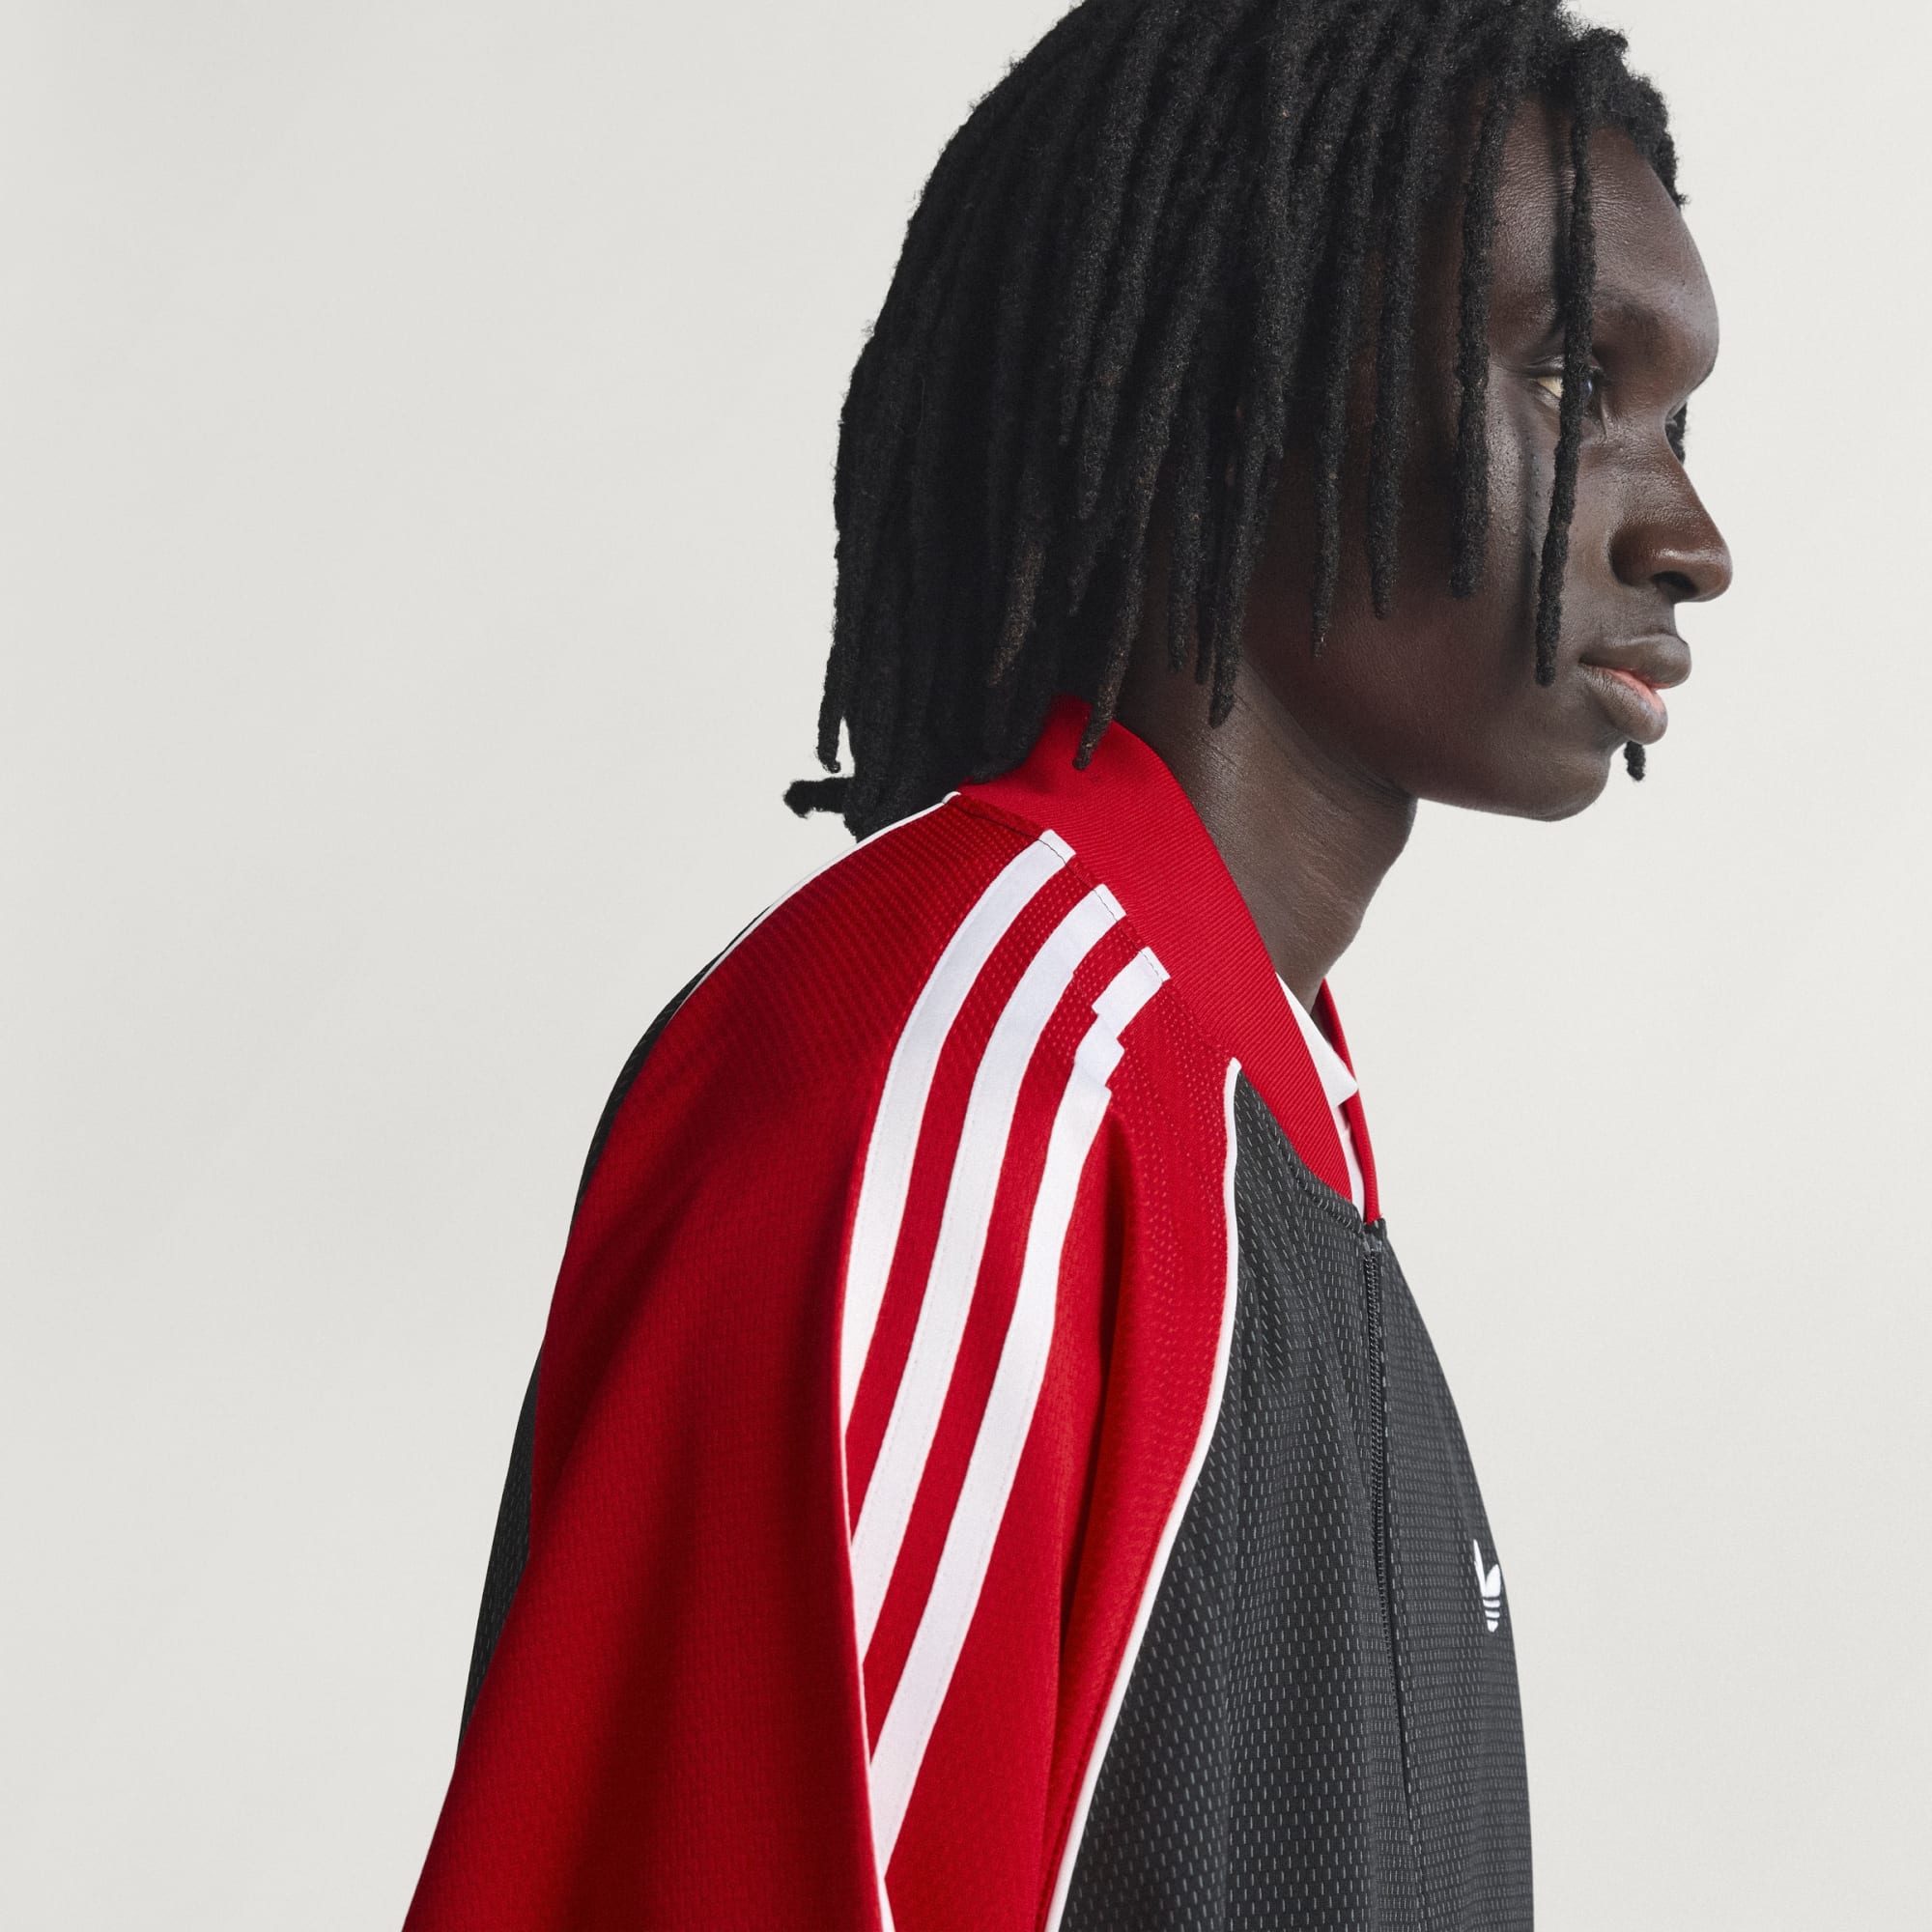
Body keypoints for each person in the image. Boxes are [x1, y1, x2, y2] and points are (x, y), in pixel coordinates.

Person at [406, 1, 1730, 1926]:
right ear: (1245, 366)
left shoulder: (1262, 1114)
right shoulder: (959, 1067)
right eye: (1571, 377)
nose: (1690, 534)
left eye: (1677, 422)